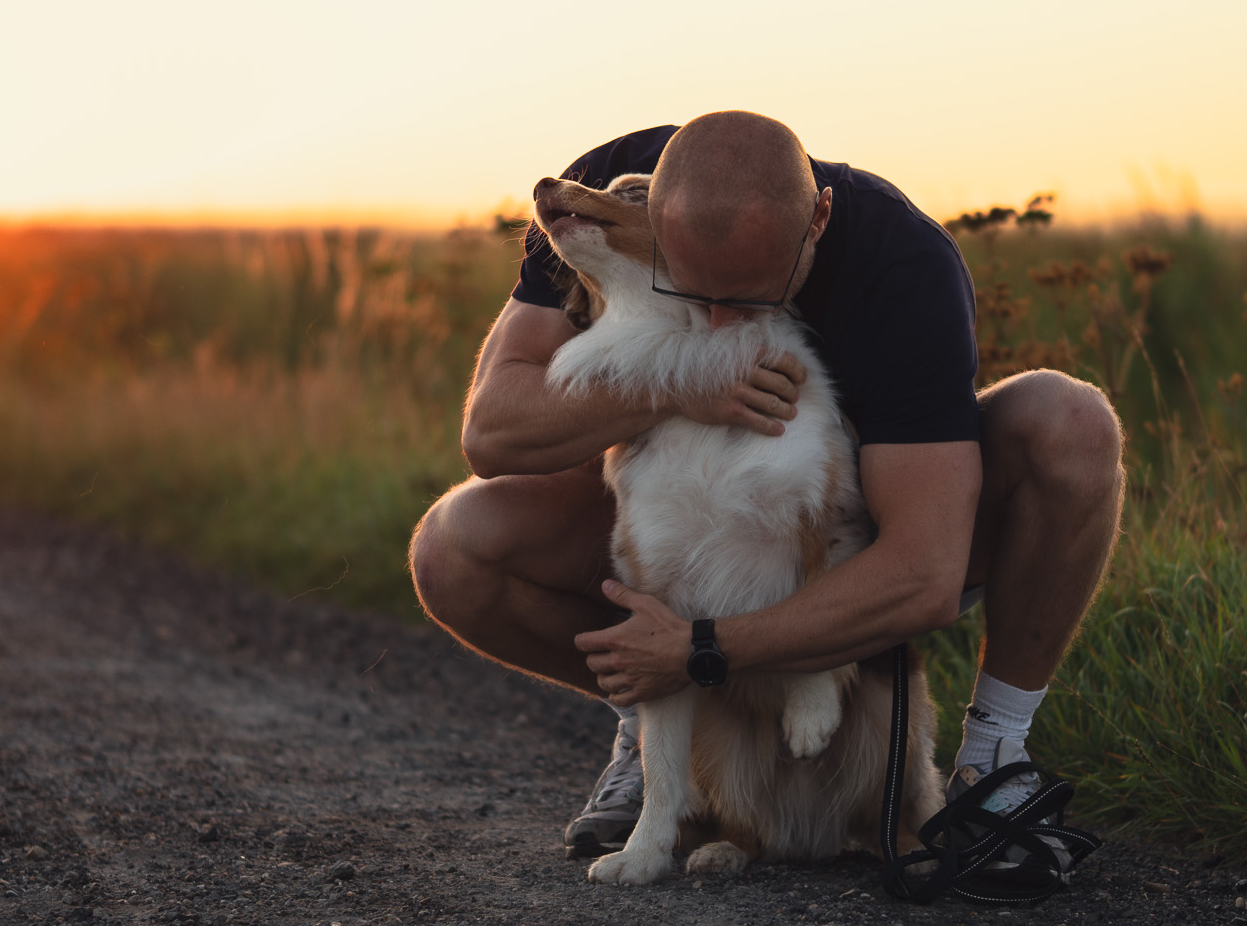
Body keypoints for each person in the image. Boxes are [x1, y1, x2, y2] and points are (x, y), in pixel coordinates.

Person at [409, 111, 1124, 861]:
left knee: (1069, 422)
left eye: (748, 300)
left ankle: (993, 761)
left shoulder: (902, 259)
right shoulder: (609, 180)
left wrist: (702, 648)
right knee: (454, 548)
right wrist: (681, 384)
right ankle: (656, 743)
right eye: (692, 289)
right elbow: (490, 432)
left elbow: (925, 574)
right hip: (680, 522)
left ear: (818, 219)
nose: (719, 322)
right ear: (655, 215)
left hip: (864, 529)